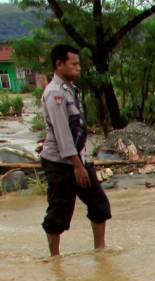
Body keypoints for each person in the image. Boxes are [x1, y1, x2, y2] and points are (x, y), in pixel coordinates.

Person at [39, 44, 110, 257]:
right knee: (59, 211)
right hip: (61, 163)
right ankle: (54, 259)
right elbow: (62, 133)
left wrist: (81, 161)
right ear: (59, 65)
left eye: (79, 63)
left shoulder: (70, 90)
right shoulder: (54, 94)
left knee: (99, 204)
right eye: (74, 64)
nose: (79, 68)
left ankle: (100, 250)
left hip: (77, 159)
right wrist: (77, 166)